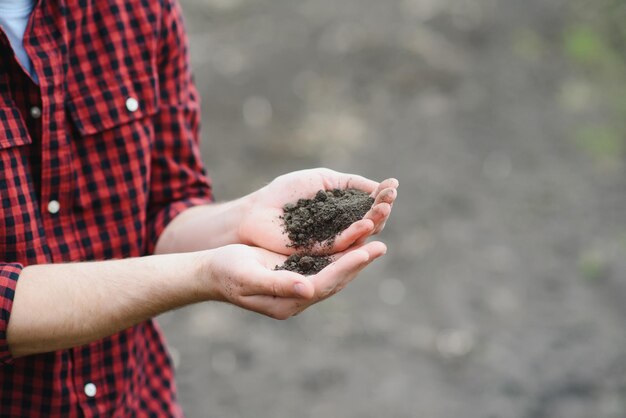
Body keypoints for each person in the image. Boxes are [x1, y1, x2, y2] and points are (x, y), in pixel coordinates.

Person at [0, 0, 398, 415]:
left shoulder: (138, 9)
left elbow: (165, 207)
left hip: (136, 401)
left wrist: (243, 219)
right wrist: (203, 274)